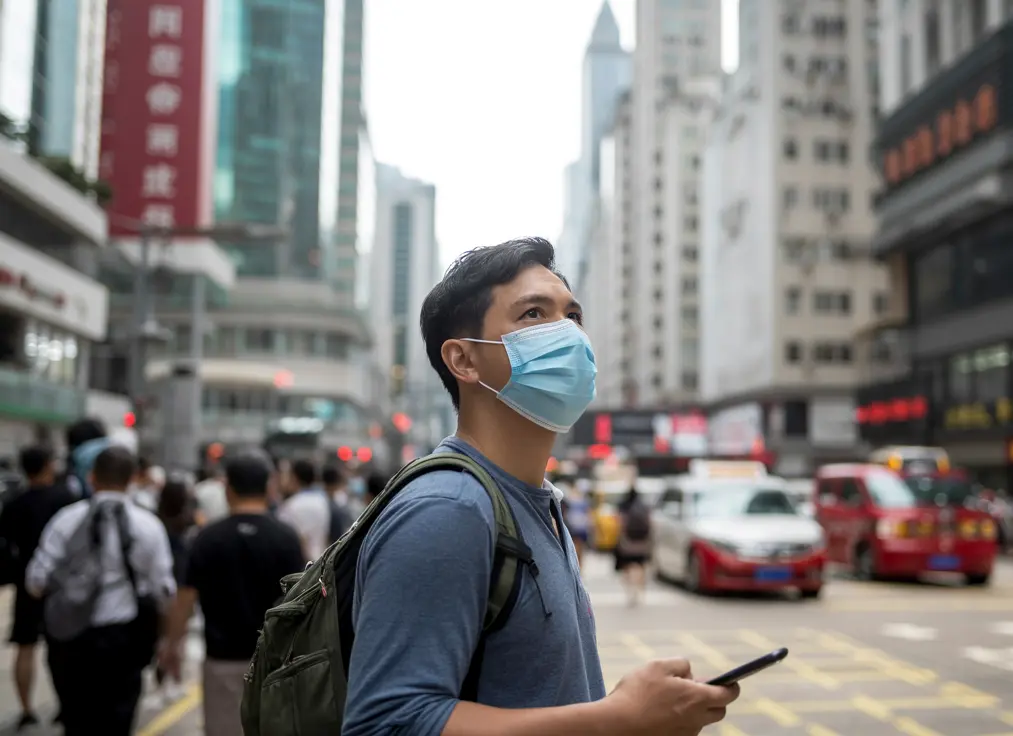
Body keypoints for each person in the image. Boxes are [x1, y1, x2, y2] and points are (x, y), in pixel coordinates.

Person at [342, 238, 737, 734]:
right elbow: (386, 723)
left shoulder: (537, 500)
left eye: (573, 315)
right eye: (533, 314)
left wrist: (628, 707)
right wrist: (617, 717)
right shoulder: (449, 509)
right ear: (464, 360)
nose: (568, 334)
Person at [26, 445, 176, 735]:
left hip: (70, 640)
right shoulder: (148, 526)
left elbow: (36, 582)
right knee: (118, 722)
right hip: (123, 642)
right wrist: (166, 641)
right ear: (132, 478)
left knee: (76, 722)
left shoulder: (65, 520)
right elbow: (164, 591)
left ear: (92, 477)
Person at [160, 450, 305, 736]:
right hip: (275, 662)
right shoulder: (286, 537)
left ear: (228, 489)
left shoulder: (206, 538)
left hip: (221, 659)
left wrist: (171, 646)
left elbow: (185, 600)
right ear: (269, 487)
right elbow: (301, 601)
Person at [0, 445, 75, 730]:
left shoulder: (14, 503)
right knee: (63, 648)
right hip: (60, 586)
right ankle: (65, 705)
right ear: (47, 465)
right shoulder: (64, 499)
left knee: (25, 646)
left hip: (25, 584)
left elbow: (6, 545)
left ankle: (26, 708)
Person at [277, 458, 331, 561]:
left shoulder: (290, 505)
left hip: (300, 563)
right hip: (320, 559)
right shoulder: (323, 501)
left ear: (294, 477)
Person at [615, 486, 653, 606]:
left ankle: (631, 589)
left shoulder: (624, 506)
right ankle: (639, 589)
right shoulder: (644, 507)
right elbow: (650, 524)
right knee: (640, 566)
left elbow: (619, 523)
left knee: (628, 566)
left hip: (628, 542)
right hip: (642, 542)